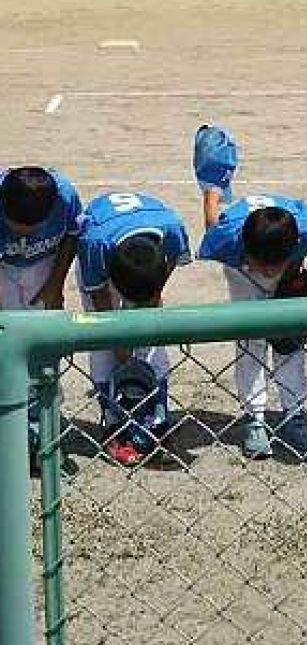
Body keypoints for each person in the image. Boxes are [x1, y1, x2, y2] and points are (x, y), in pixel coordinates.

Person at [194, 126, 307, 462]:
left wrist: (289, 276)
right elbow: (213, 225)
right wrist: (212, 191)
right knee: (250, 342)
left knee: (291, 343)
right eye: (262, 264)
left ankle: (294, 414)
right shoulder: (226, 240)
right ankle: (254, 418)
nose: (267, 270)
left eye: (272, 265)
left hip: (287, 265)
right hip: (242, 275)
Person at [75, 192, 192, 466]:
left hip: (141, 257)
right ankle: (114, 426)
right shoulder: (94, 244)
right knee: (103, 345)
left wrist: (152, 297)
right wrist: (120, 347)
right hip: (105, 257)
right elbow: (103, 305)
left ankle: (157, 420)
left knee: (152, 337)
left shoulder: (172, 230)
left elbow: (169, 264)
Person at [0, 166, 83, 474]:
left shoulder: (64, 195)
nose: (23, 234)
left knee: (43, 354)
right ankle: (12, 432)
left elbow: (72, 236)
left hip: (43, 267)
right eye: (16, 227)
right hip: (4, 269)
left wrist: (55, 283)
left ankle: (44, 435)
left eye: (31, 228)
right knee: (8, 349)